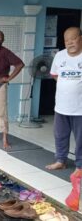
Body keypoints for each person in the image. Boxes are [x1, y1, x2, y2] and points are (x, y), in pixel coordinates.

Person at [45, 27, 82, 172]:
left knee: (80, 139)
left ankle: (80, 165)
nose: (69, 43)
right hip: (61, 106)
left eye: (73, 39)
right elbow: (55, 75)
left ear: (80, 38)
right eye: (67, 40)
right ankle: (61, 160)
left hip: (80, 109)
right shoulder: (60, 56)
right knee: (60, 135)